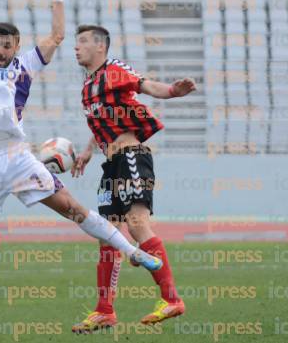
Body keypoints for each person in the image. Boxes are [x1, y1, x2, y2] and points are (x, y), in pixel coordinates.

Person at [0, 0, 162, 277]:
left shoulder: (25, 65)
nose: (0, 50)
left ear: (16, 47)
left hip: (16, 157)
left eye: (7, 45)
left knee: (71, 208)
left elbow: (58, 35)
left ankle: (134, 252)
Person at [70, 25, 197, 333]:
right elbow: (100, 121)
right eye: (76, 43)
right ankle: (105, 310)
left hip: (131, 157)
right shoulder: (88, 88)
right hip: (110, 164)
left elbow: (144, 85)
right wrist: (88, 151)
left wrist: (172, 92)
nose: (76, 48)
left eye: (83, 42)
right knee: (108, 235)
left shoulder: (113, 70)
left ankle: (171, 299)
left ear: (100, 47)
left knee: (137, 224)